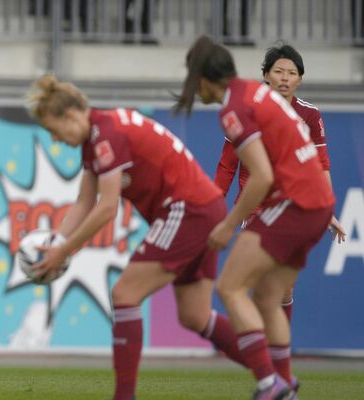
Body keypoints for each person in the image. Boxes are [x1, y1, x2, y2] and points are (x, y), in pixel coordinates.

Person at [28, 75, 249, 400]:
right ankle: (275, 376)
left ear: (71, 116)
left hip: (188, 210)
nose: (56, 140)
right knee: (195, 316)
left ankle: (124, 396)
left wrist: (64, 253)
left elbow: (106, 210)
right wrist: (57, 244)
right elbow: (84, 203)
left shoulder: (105, 134)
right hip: (202, 208)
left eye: (53, 130)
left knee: (124, 293)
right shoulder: (96, 136)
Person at [174, 35, 336, 399]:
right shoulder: (253, 95)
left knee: (230, 286)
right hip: (316, 203)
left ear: (202, 77)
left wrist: (227, 225)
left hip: (294, 202)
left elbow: (261, 176)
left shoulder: (235, 108)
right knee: (268, 296)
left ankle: (268, 383)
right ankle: (285, 384)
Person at [214, 43, 346, 326]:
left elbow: (321, 164)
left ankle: (272, 355)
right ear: (266, 75)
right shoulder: (246, 110)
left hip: (292, 208)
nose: (285, 78)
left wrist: (328, 209)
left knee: (283, 289)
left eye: (292, 73)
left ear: (300, 79)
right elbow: (228, 164)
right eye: (279, 71)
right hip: (255, 206)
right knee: (257, 282)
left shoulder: (310, 115)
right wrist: (214, 204)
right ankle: (264, 352)